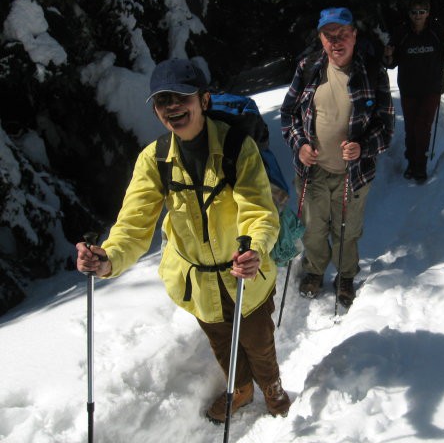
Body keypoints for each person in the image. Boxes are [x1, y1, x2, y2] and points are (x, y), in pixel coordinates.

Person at [75, 58, 291, 423]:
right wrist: (107, 258)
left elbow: (258, 208)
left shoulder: (238, 147)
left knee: (258, 339)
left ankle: (272, 387)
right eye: (162, 101)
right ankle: (240, 390)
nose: (172, 107)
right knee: (222, 342)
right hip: (198, 282)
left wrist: (254, 247)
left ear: (203, 100)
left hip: (245, 273)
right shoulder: (154, 160)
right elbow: (133, 224)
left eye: (181, 97)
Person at [280, 7, 394, 307]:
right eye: (329, 35)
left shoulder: (372, 72)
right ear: (321, 38)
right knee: (313, 230)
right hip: (313, 171)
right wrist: (300, 145)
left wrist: (362, 148)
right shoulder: (308, 67)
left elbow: (386, 129)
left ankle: (345, 276)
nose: (336, 41)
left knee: (347, 230)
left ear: (354, 35)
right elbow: (287, 114)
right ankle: (314, 271)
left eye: (342, 33)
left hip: (353, 174)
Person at [383, 0, 444, 182]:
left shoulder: (437, 31)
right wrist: (389, 55)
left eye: (421, 12)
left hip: (431, 87)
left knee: (422, 126)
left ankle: (420, 166)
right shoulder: (402, 33)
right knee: (411, 128)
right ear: (409, 14)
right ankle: (411, 162)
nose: (418, 16)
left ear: (428, 13)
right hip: (409, 88)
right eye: (414, 12)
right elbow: (391, 64)